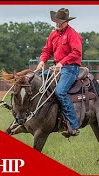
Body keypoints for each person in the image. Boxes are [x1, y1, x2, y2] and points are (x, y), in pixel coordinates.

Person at [36, 8, 83, 137]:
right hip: (57, 67)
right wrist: (42, 61)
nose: (57, 23)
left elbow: (76, 53)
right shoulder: (53, 34)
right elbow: (46, 50)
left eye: (60, 21)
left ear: (66, 22)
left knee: (60, 92)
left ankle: (73, 125)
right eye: (56, 21)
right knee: (37, 82)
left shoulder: (73, 34)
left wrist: (62, 63)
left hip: (70, 68)